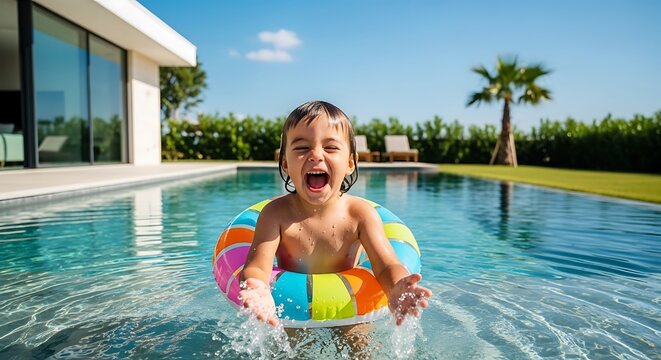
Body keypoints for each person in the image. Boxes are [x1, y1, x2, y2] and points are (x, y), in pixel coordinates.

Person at [239, 100, 432, 327]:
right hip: (293, 310)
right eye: (302, 148)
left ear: (350, 163)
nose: (316, 155)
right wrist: (258, 287)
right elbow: (258, 265)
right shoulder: (275, 215)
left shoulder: (360, 215)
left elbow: (386, 265)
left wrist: (397, 287)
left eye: (330, 147)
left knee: (359, 345)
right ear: (285, 165)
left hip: (349, 308)